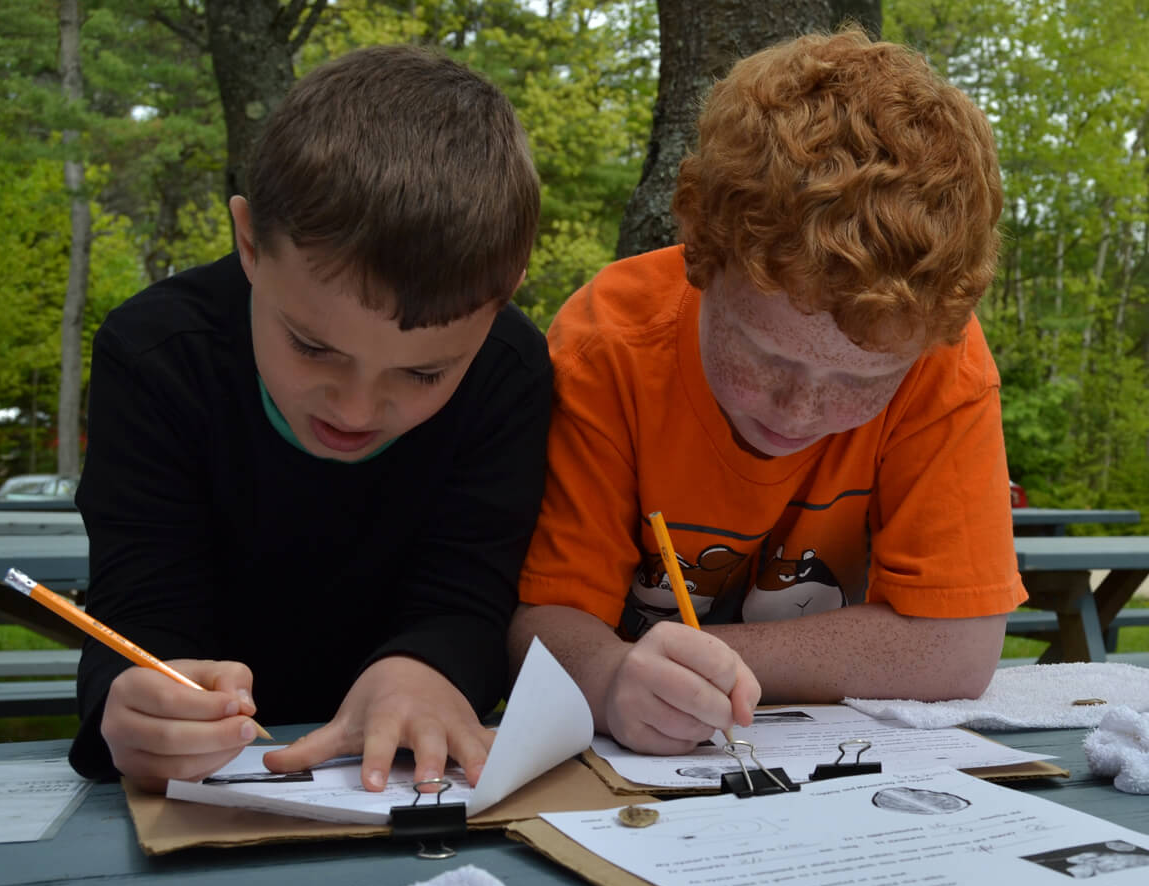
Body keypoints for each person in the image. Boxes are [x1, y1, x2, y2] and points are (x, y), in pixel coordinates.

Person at [509, 29, 1025, 755]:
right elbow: (545, 616)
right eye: (764, 355)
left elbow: (959, 646)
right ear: (700, 255)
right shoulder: (611, 345)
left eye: (862, 380)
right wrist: (606, 675)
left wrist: (706, 665)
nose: (799, 410)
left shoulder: (943, 355)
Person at [69, 44, 550, 794]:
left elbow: (471, 594)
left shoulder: (510, 373)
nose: (356, 409)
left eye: (425, 372)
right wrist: (128, 702)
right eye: (311, 346)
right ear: (250, 242)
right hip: (207, 792)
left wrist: (425, 671)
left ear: (504, 296)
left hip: (411, 787)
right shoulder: (157, 356)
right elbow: (135, 614)